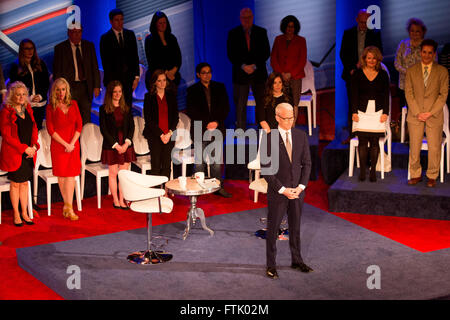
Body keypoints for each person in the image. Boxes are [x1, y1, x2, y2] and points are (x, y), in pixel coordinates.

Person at [260, 103, 312, 279]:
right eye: (286, 118)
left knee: (295, 227)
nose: (289, 121)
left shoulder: (301, 136)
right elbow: (266, 170)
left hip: (297, 192)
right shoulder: (269, 139)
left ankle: (297, 260)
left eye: (292, 118)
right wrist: (283, 190)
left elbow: (307, 164)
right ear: (277, 118)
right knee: (273, 229)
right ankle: (271, 265)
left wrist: (300, 187)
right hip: (278, 192)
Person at [405, 39, 449, 188]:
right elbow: (408, 93)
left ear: (434, 54)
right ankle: (416, 174)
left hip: (433, 115)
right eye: (424, 52)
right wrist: (418, 113)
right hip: (415, 115)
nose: (427, 55)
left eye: (430, 52)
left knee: (434, 147)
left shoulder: (442, 71)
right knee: (415, 147)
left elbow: (443, 95)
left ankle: (432, 175)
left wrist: (429, 113)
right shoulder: (411, 70)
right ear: (420, 52)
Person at [186, 62, 231, 198]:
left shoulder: (220, 87)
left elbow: (226, 108)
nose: (207, 74)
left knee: (216, 162)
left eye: (209, 72)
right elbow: (191, 110)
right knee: (199, 162)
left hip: (217, 128)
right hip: (201, 128)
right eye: (204, 72)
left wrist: (216, 122)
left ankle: (217, 187)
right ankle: (199, 188)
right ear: (198, 75)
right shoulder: (192, 90)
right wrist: (207, 124)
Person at [340, 9, 383, 143]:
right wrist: (352, 68)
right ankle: (352, 134)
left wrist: (367, 66)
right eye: (362, 22)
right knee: (353, 105)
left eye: (367, 22)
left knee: (369, 104)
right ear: (357, 20)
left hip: (370, 74)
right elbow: (343, 54)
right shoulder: (348, 33)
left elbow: (379, 53)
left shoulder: (375, 34)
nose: (364, 25)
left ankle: (370, 134)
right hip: (353, 73)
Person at [0, 81, 39, 226]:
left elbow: (34, 128)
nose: (21, 97)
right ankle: (16, 213)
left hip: (28, 153)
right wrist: (24, 148)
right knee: (16, 184)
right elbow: (7, 136)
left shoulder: (28, 109)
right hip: (15, 154)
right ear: (12, 95)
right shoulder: (6, 111)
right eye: (18, 94)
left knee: (24, 183)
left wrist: (34, 146)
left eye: (24, 94)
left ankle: (24, 212)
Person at [227, 7, 270, 130]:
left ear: (253, 17)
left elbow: (266, 52)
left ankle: (262, 128)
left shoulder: (261, 32)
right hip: (240, 74)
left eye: (249, 17)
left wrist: (254, 66)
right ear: (240, 19)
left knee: (262, 103)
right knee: (240, 104)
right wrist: (243, 66)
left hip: (259, 73)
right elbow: (231, 54)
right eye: (244, 17)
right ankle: (241, 129)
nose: (247, 20)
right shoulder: (233, 33)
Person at [351, 46, 389, 182]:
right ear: (364, 59)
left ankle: (373, 170)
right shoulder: (357, 74)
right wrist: (354, 112)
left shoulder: (383, 74)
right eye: (369, 58)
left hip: (378, 112)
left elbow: (386, 95)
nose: (371, 60)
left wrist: (386, 112)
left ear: (377, 59)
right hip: (361, 112)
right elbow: (353, 94)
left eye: (374, 58)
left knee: (374, 143)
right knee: (362, 142)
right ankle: (362, 171)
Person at [46, 78, 83, 220]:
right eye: (58, 89)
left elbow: (79, 125)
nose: (61, 92)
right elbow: (50, 129)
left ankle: (67, 207)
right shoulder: (50, 107)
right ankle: (69, 207)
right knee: (62, 176)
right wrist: (65, 144)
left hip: (73, 145)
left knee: (71, 176)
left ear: (67, 90)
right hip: (59, 146)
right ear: (54, 91)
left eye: (63, 89)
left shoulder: (74, 104)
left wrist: (72, 143)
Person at [53, 24, 101, 125]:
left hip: (86, 86)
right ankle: (74, 140)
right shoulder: (60, 48)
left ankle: (85, 139)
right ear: (68, 33)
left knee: (86, 117)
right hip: (69, 88)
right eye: (74, 32)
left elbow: (94, 67)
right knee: (71, 117)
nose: (77, 35)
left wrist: (97, 86)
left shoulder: (89, 46)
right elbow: (57, 72)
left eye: (79, 32)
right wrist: (59, 90)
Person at [100, 81, 136, 209]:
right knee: (113, 173)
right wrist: (116, 145)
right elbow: (104, 130)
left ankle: (122, 199)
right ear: (110, 93)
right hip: (112, 145)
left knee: (123, 174)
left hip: (126, 144)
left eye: (119, 91)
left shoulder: (126, 107)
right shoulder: (103, 109)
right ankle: (115, 200)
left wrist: (126, 143)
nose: (117, 94)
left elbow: (132, 127)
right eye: (115, 92)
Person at [270, 15, 307, 125]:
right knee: (279, 102)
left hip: (295, 77)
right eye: (288, 26)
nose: (290, 29)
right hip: (279, 78)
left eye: (292, 26)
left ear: (295, 28)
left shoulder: (301, 40)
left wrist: (290, 74)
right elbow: (273, 59)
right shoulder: (278, 39)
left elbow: (302, 60)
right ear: (284, 27)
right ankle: (279, 127)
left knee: (294, 103)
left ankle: (292, 128)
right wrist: (281, 74)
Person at [100, 8, 140, 108]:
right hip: (114, 80)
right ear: (111, 21)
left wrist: (136, 77)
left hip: (129, 79)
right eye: (117, 20)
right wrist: (112, 83)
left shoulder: (130, 34)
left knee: (128, 107)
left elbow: (135, 57)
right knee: (117, 109)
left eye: (121, 19)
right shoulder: (105, 38)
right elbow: (106, 63)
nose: (120, 22)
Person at [142, 70, 179, 179]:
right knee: (156, 165)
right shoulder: (149, 97)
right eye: (159, 81)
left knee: (167, 165)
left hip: (169, 134)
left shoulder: (171, 95)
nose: (163, 83)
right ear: (154, 82)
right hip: (155, 135)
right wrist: (161, 135)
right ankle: (158, 192)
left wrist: (169, 133)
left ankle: (165, 191)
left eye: (164, 80)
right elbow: (148, 120)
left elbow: (175, 117)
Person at [8, 39, 49, 130]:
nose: (30, 51)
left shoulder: (40, 64)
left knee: (38, 129)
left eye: (32, 48)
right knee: (27, 129)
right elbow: (15, 87)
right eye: (27, 48)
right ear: (22, 50)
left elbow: (46, 83)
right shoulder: (15, 67)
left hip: (40, 104)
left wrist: (40, 96)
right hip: (24, 104)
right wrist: (29, 97)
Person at [394, 18, 427, 118]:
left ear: (423, 32)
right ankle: (406, 131)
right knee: (406, 111)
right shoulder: (403, 44)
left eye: (417, 31)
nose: (414, 33)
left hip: (422, 84)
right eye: (412, 30)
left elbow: (433, 64)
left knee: (420, 110)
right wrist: (408, 72)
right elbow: (396, 63)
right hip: (405, 84)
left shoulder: (427, 45)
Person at [144, 11, 182, 94]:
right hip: (157, 76)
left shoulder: (172, 38)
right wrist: (166, 73)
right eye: (160, 23)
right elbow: (152, 61)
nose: (163, 25)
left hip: (172, 75)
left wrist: (173, 71)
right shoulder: (149, 40)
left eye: (164, 22)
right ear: (155, 24)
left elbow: (178, 57)